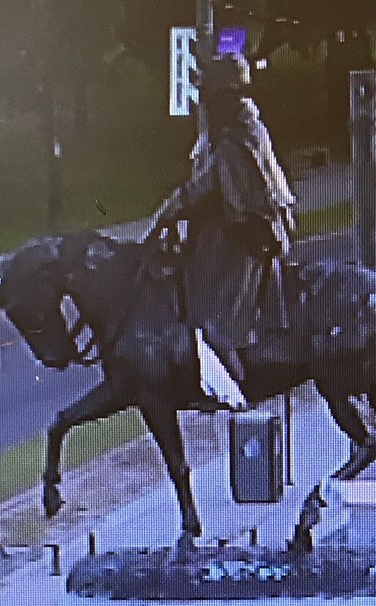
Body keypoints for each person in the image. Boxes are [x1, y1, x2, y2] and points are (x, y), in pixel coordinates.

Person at [145, 53, 295, 411]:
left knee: (212, 295)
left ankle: (233, 374)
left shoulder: (238, 136)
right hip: (240, 222)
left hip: (255, 232)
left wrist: (162, 218)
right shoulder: (227, 131)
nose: (206, 102)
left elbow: (203, 187)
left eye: (210, 93)